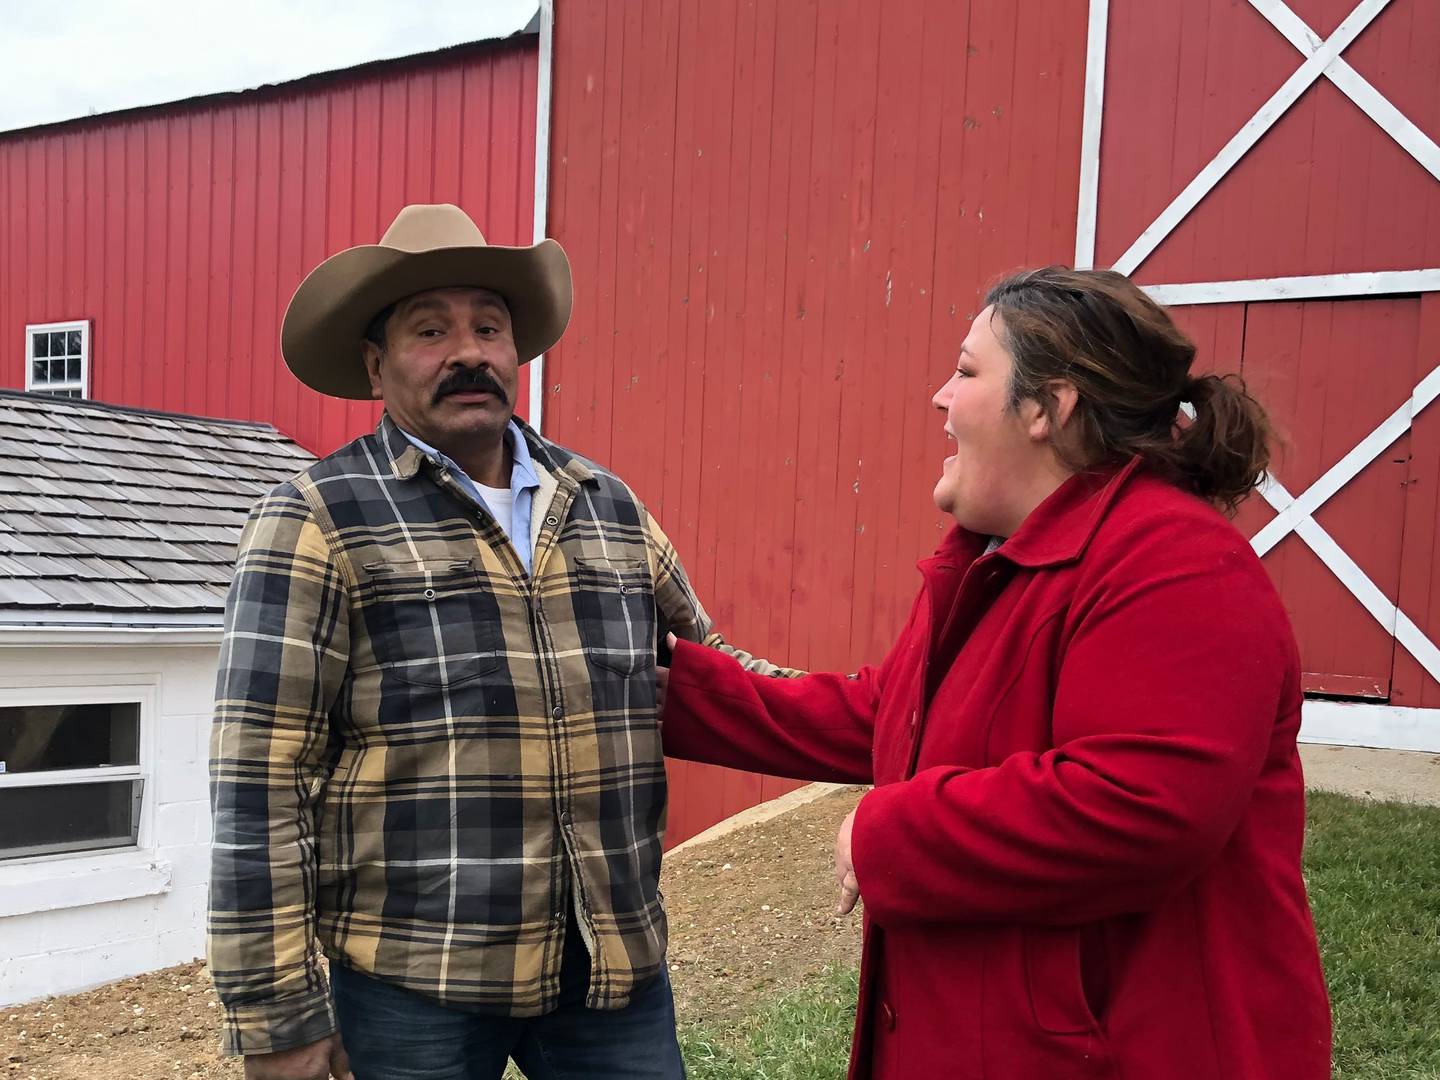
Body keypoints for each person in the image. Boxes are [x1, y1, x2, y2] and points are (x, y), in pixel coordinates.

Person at [657, 267, 1333, 1079]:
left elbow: (1145, 805)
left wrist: (888, 832)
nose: (941, 399)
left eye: (968, 372)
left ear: (1050, 408)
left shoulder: (1177, 566)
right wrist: (656, 691)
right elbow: (890, 716)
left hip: (1136, 1048)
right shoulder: (1001, 560)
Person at [208, 203, 784, 1080]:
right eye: (429, 330)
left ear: (516, 351)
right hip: (413, 983)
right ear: (377, 364)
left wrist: (900, 721)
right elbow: (259, 779)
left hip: (610, 973)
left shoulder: (605, 505)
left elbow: (714, 671)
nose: (466, 352)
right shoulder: (317, 519)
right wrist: (278, 1013)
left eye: (488, 326)